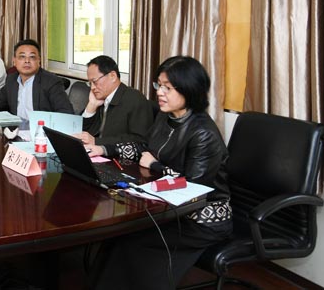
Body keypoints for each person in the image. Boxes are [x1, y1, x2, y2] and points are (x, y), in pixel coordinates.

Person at [89, 56, 232, 290]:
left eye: (168, 87)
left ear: (189, 90)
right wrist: (104, 149)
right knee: (116, 236)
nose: (159, 93)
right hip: (167, 207)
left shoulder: (203, 133)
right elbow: (143, 147)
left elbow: (192, 188)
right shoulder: (167, 117)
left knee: (131, 242)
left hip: (201, 218)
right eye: (158, 85)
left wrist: (156, 166)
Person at [74, 55, 153, 155]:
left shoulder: (135, 99)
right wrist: (91, 107)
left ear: (112, 76)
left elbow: (139, 140)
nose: (92, 88)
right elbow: (80, 132)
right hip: (96, 153)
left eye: (95, 82)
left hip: (118, 158)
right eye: (90, 83)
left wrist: (97, 142)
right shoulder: (100, 98)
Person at [0, 39, 73, 125]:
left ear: (39, 61)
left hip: (39, 131)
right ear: (14, 61)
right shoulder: (12, 79)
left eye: (32, 57)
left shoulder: (51, 82)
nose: (27, 61)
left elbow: (66, 114)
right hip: (16, 129)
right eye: (22, 57)